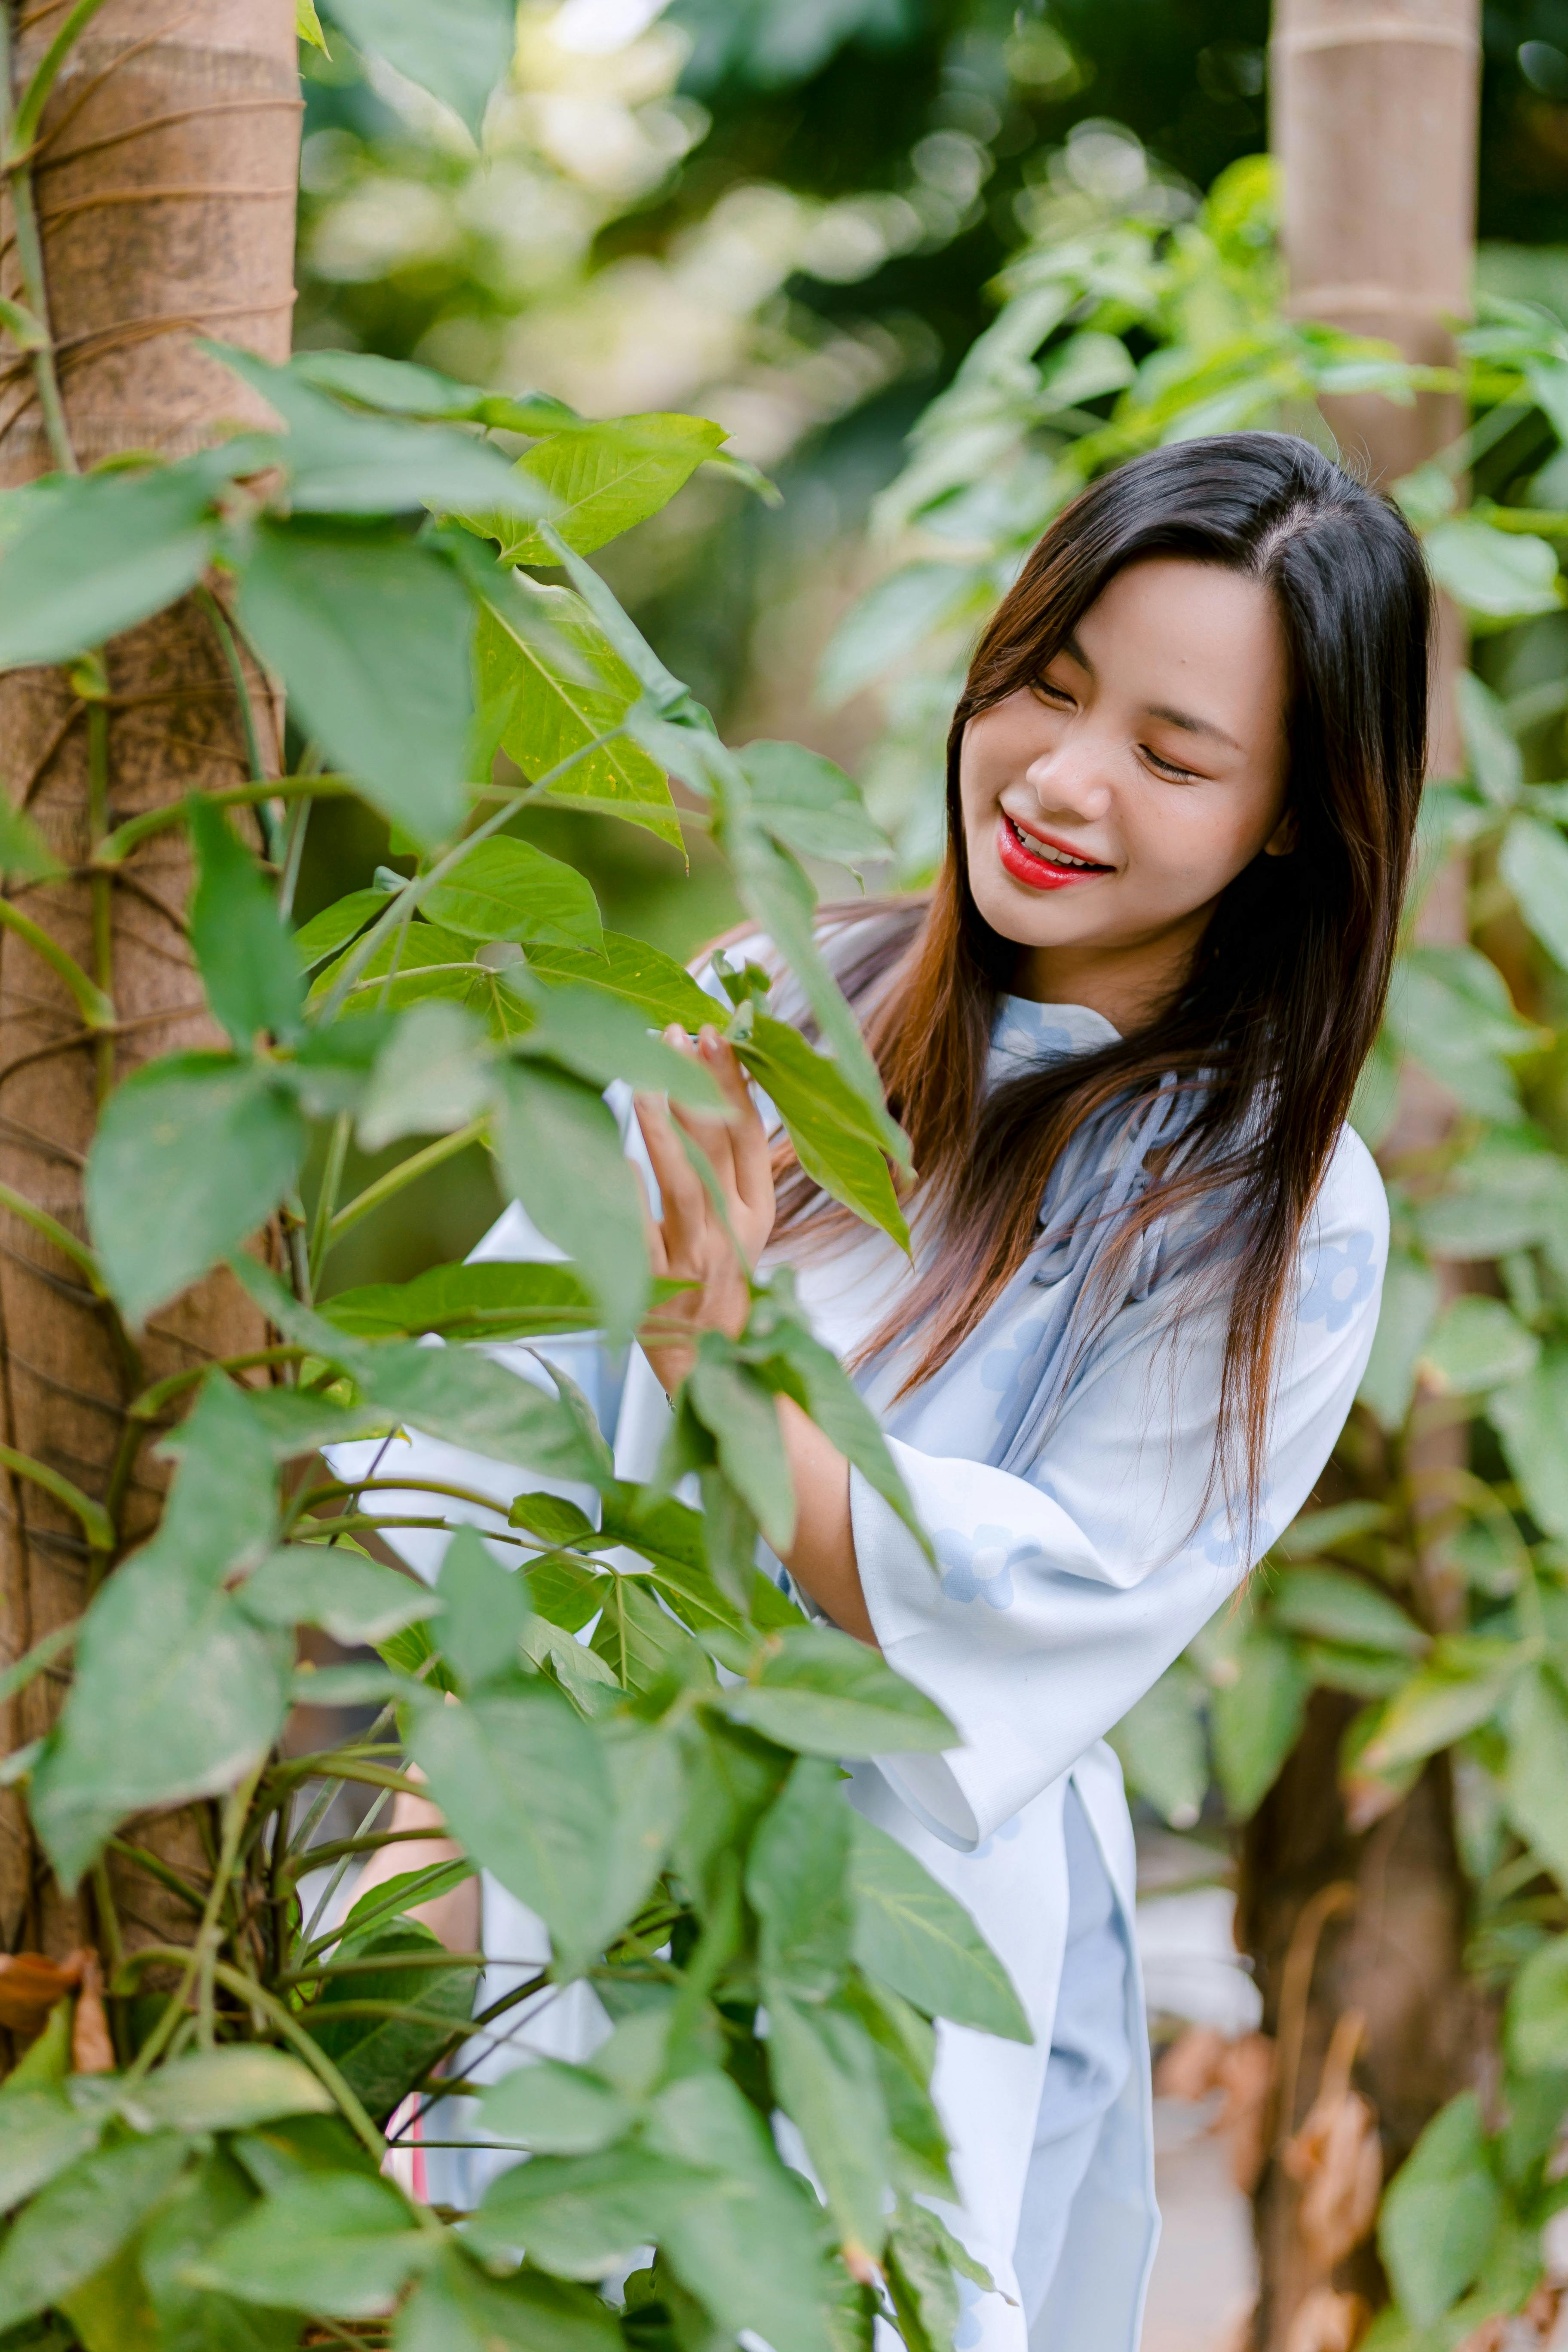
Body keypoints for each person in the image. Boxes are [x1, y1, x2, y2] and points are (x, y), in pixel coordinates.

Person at [343, 432, 1429, 2351]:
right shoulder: (789, 988)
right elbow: (492, 1431)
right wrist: (426, 1847)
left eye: (1174, 758)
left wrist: (724, 1352)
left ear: (1291, 820)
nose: (1064, 780)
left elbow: (1007, 1621)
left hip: (889, 1950)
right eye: (1050, 685)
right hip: (555, 1825)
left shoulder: (1281, 1209)